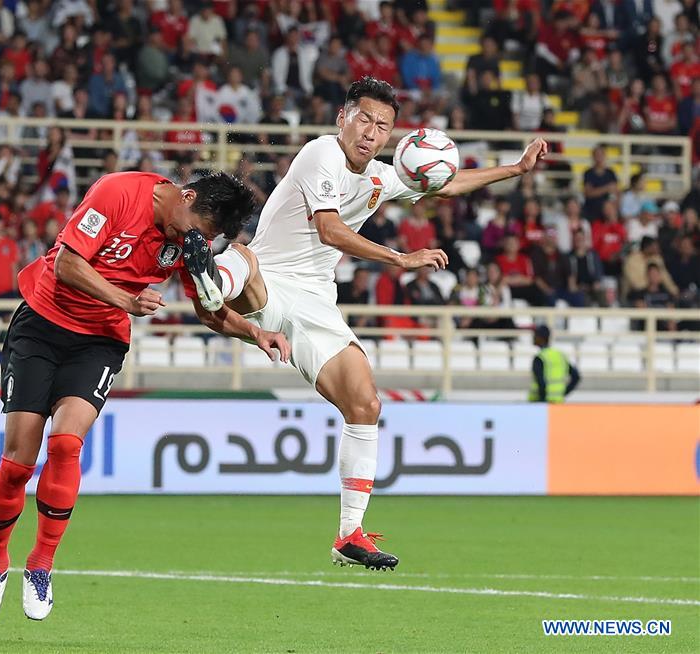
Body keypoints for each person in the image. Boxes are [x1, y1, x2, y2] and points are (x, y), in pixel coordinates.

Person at [194, 77, 548, 571]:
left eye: (382, 126)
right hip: (269, 278)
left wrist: (517, 168)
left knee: (365, 403)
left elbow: (445, 184)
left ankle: (349, 535)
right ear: (343, 118)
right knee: (246, 258)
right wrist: (399, 258)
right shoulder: (320, 153)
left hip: (316, 302)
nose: (371, 132)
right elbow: (329, 228)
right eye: (364, 119)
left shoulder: (381, 177)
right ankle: (211, 278)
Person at [0, 171, 289, 626]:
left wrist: (255, 332)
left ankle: (41, 565)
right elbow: (66, 264)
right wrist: (125, 299)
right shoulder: (118, 192)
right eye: (197, 229)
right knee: (18, 464)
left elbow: (209, 311)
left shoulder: (188, 241)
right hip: (42, 324)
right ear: (187, 196)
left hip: (99, 341)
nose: (191, 239)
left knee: (66, 443)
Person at [529, 325, 580, 403]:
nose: (533, 337)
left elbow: (541, 383)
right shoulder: (559, 355)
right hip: (558, 403)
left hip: (541, 403)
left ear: (540, 338)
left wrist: (542, 401)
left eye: (535, 335)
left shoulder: (540, 358)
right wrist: (562, 393)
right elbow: (576, 377)